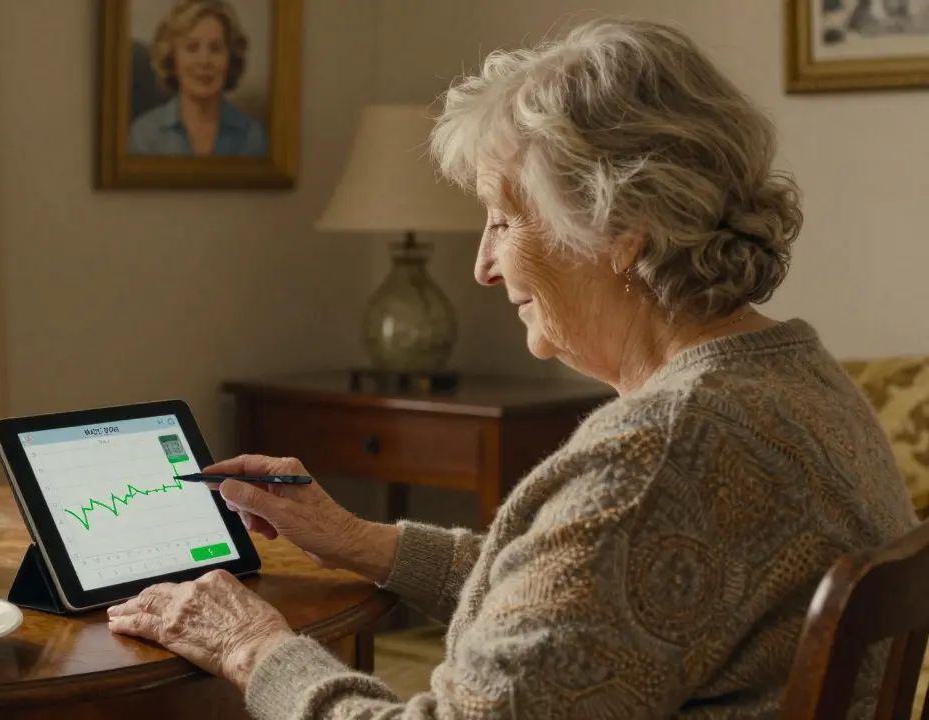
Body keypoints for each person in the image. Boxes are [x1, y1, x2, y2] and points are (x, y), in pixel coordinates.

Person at [108, 17, 918, 719]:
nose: (484, 268)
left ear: (619, 229)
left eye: (502, 219)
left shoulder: (662, 453)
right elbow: (582, 607)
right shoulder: (790, 372)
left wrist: (252, 647)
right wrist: (359, 542)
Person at [127, 0, 267, 158]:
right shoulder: (145, 136)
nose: (204, 61)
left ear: (231, 58)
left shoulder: (252, 136)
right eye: (192, 48)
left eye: (216, 49)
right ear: (173, 59)